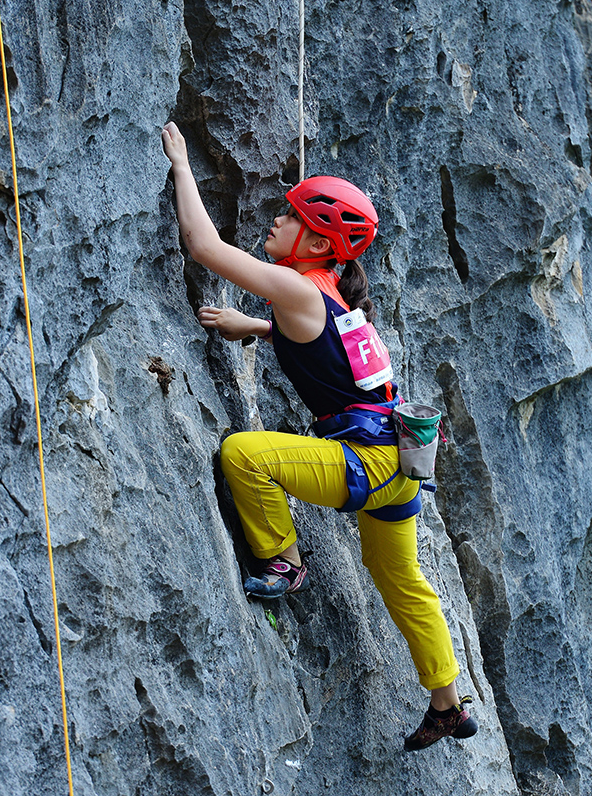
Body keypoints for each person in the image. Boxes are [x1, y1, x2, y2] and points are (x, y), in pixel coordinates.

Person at [161, 121, 476, 750]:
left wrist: (179, 164)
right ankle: (448, 705)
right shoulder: (333, 298)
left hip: (365, 462)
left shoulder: (298, 287)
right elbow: (324, 355)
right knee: (402, 582)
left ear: (317, 240)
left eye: (290, 215)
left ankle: (283, 560)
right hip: (400, 465)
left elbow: (203, 245)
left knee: (245, 454)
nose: (276, 221)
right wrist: (251, 327)